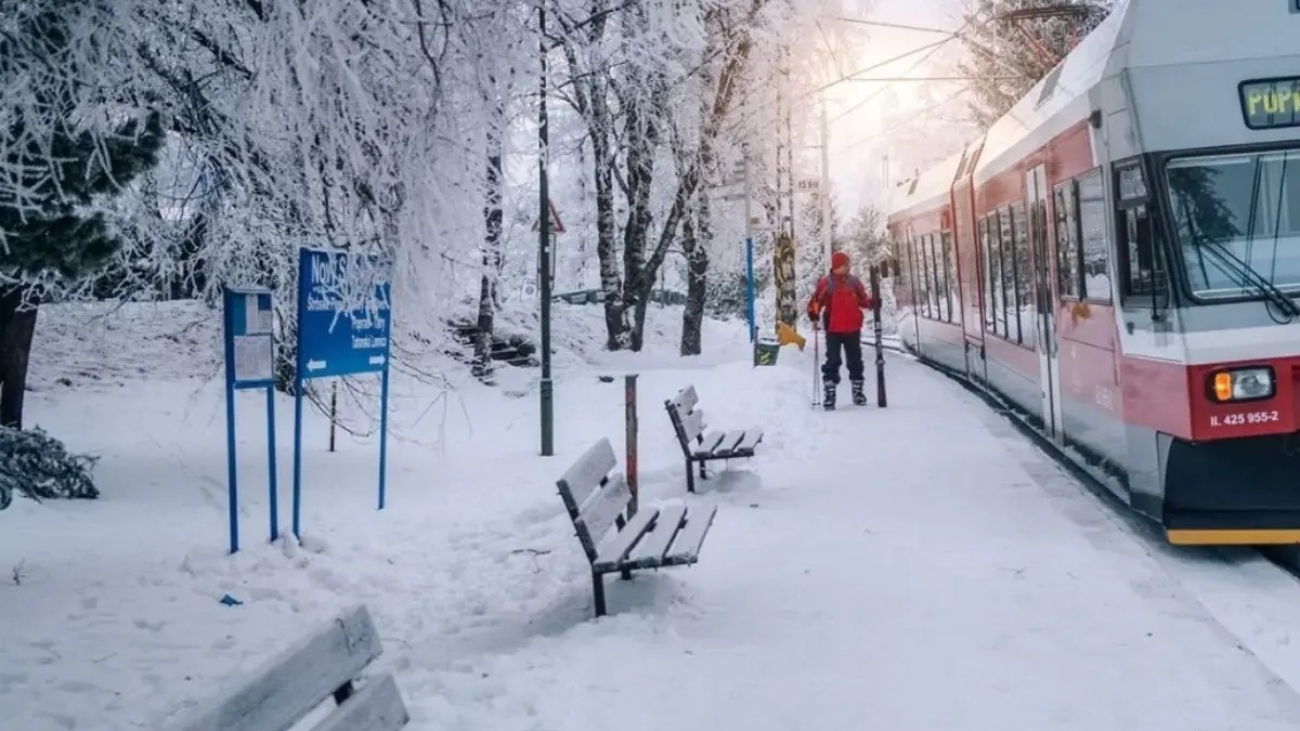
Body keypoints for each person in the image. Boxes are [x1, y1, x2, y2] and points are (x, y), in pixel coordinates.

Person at [807, 251, 874, 409]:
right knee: (833, 361)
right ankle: (830, 393)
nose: (848, 267)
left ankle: (857, 391)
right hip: (833, 329)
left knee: (855, 360)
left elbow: (863, 300)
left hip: (852, 328)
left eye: (848, 264)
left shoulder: (854, 282)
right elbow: (817, 300)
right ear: (837, 266)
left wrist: (873, 302)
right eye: (845, 264)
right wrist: (813, 312)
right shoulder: (827, 283)